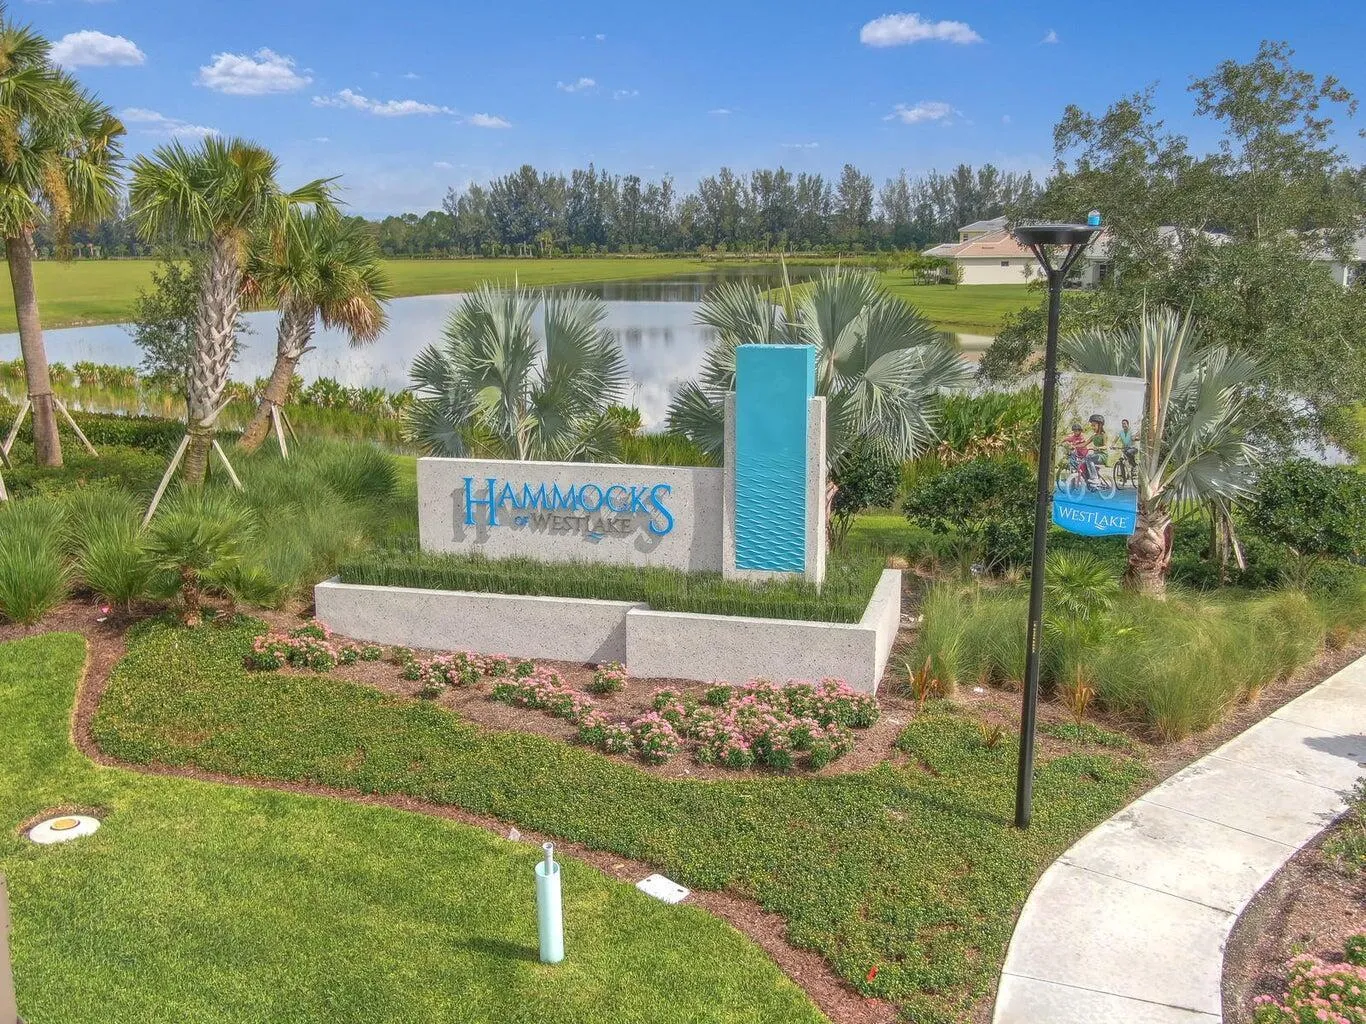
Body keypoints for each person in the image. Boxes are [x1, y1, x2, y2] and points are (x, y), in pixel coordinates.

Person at [1084, 414, 1109, 486]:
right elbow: (1084, 444)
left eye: (1094, 425)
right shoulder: (1094, 436)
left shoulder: (1103, 435)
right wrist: (1074, 446)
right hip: (1096, 455)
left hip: (1102, 456)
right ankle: (1091, 479)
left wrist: (1098, 448)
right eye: (1092, 425)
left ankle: (1095, 478)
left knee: (1088, 457)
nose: (1092, 427)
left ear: (1100, 425)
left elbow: (1105, 446)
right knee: (1084, 460)